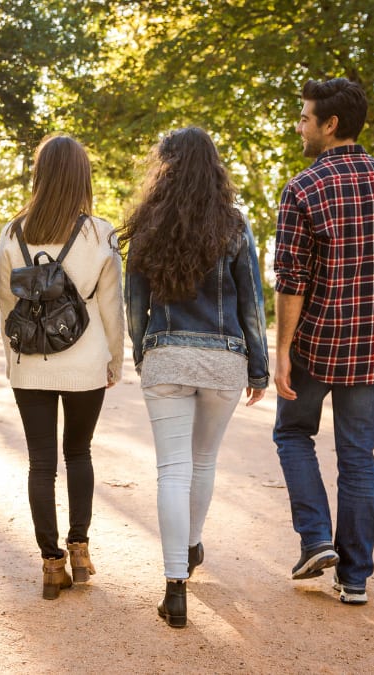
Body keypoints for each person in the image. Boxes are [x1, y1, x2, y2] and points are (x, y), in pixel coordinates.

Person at [273, 78, 374, 606]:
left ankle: (315, 539)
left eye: (305, 117)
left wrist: (282, 350)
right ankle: (354, 578)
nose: (300, 125)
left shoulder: (303, 188)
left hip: (318, 343)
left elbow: (292, 281)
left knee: (292, 435)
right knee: (358, 457)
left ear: (330, 124)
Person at [120, 127, 269, 628]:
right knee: (203, 463)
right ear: (214, 168)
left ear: (164, 167)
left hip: (167, 355)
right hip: (224, 359)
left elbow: (134, 303)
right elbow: (252, 302)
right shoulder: (233, 225)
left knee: (172, 470)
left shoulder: (147, 227)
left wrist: (145, 352)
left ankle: (175, 585)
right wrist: (260, 367)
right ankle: (189, 547)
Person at [0, 135, 124, 600]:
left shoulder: (12, 234)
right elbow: (112, 306)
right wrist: (115, 359)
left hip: (30, 364)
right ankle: (81, 548)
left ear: (40, 175)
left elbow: (6, 305)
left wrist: (14, 361)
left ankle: (51, 562)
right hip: (86, 362)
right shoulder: (101, 233)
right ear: (81, 178)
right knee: (79, 454)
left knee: (41, 463)